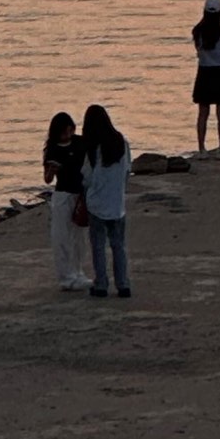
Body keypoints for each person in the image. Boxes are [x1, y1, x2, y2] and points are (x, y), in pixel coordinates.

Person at [80, 103, 131, 297]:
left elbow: (87, 178)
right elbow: (127, 171)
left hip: (97, 204)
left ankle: (101, 283)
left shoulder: (94, 149)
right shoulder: (122, 143)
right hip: (117, 204)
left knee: (98, 246)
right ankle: (123, 284)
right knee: (118, 246)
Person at [42, 112, 94, 290]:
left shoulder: (80, 143)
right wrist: (52, 170)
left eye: (70, 130)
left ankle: (78, 272)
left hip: (80, 193)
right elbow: (47, 179)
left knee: (79, 237)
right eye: (65, 132)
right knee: (62, 237)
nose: (68, 135)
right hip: (63, 194)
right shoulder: (52, 149)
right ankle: (66, 277)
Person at [192, 0, 220, 154]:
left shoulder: (198, 33)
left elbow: (199, 52)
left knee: (203, 113)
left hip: (204, 73)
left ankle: (202, 149)